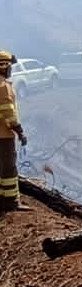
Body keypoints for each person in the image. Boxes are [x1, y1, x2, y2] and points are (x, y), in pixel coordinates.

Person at [0, 51, 31, 212]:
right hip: (3, 135)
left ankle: (2, 198)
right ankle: (11, 201)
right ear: (3, 66)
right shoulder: (3, 87)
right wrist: (20, 131)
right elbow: (9, 114)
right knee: (9, 169)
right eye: (9, 66)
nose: (10, 69)